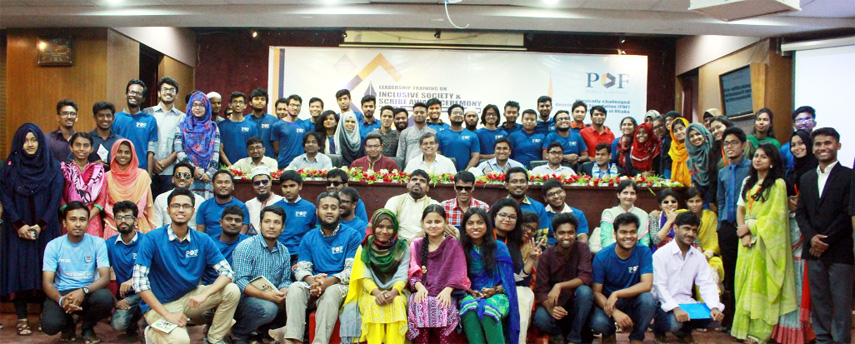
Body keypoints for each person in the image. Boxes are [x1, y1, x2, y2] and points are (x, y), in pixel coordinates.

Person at [132, 187, 241, 344]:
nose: (181, 210)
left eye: (186, 206)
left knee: (232, 290)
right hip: (159, 305)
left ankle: (214, 339)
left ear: (193, 211)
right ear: (168, 210)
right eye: (176, 206)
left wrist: (204, 294)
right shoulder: (152, 238)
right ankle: (151, 334)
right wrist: (167, 315)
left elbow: (227, 273)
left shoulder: (202, 239)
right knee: (180, 340)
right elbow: (139, 283)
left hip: (188, 299)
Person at [0, 124, 63, 336]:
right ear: (19, 142)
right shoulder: (9, 167)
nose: (30, 144)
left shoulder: (53, 166)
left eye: (34, 140)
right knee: (19, 270)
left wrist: (41, 225)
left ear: (40, 142)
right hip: (16, 229)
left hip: (45, 228)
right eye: (26, 140)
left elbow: (55, 197)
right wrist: (19, 225)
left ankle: (48, 313)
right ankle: (22, 317)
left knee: (47, 270)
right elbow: (5, 198)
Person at [731, 143, 796, 343]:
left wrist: (750, 226)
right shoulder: (748, 182)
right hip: (748, 241)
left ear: (772, 161)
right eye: (757, 156)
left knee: (761, 286)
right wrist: (744, 234)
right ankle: (742, 329)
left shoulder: (778, 184)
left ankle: (759, 333)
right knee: (743, 283)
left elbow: (777, 218)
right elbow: (741, 209)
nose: (758, 159)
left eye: (764, 157)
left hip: (766, 243)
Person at [279, 191, 362, 344]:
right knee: (296, 288)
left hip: (339, 286)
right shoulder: (309, 237)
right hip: (314, 285)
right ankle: (293, 340)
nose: (329, 211)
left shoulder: (352, 236)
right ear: (317, 211)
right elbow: (302, 269)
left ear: (339, 211)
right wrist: (313, 282)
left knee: (331, 293)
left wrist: (327, 282)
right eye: (325, 207)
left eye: (333, 207)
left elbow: (352, 271)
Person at [795, 128, 853, 344]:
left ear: (838, 145)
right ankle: (822, 340)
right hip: (813, 250)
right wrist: (811, 238)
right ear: (813, 148)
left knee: (841, 302)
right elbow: (801, 213)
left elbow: (848, 213)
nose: (822, 147)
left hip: (840, 250)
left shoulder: (849, 176)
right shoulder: (807, 178)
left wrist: (824, 240)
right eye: (818, 144)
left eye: (828, 143)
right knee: (819, 301)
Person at [41, 201, 113, 344]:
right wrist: (62, 301)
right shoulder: (53, 245)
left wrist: (83, 290)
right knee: (49, 326)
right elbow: (47, 283)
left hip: (88, 292)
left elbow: (105, 278)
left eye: (82, 219)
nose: (78, 224)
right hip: (62, 293)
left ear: (88, 222)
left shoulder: (98, 243)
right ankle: (68, 324)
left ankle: (87, 328)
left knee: (105, 299)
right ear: (64, 222)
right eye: (73, 219)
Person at [652, 212, 725, 344]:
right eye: (686, 228)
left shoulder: (698, 257)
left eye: (694, 230)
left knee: (715, 319)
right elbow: (659, 286)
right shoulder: (661, 254)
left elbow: (707, 284)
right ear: (675, 228)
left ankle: (684, 331)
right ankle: (659, 329)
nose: (690, 234)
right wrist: (675, 308)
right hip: (662, 303)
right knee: (674, 323)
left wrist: (714, 307)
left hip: (686, 303)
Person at [339, 209, 411, 344]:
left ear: (395, 228)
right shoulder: (364, 247)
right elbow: (363, 274)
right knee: (373, 304)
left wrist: (394, 292)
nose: (384, 231)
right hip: (369, 291)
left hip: (397, 291)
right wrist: (376, 292)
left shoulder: (402, 246)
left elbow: (403, 273)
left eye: (389, 227)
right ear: (374, 227)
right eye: (380, 226)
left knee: (397, 304)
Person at [406, 205, 470, 344]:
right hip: (422, 291)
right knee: (419, 305)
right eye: (429, 222)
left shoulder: (454, 244)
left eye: (438, 221)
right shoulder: (416, 244)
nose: (433, 225)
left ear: (446, 223)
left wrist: (448, 289)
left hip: (447, 292)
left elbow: (459, 271)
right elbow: (412, 269)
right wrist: (419, 287)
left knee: (444, 307)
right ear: (422, 223)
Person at [590, 213, 656, 344]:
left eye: (633, 232)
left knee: (648, 300)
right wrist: (614, 312)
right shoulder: (602, 257)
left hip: (633, 300)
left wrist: (617, 293)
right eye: (623, 232)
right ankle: (608, 334)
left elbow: (647, 285)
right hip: (609, 302)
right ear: (615, 234)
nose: (628, 236)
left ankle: (637, 337)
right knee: (598, 323)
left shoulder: (644, 252)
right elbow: (596, 292)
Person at [459, 208, 521, 344]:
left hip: (499, 295)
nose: (475, 227)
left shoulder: (499, 247)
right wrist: (470, 291)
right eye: (470, 223)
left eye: (480, 223)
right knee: (467, 306)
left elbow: (509, 283)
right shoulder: (460, 248)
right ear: (464, 228)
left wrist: (494, 290)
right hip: (470, 294)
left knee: (489, 309)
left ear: (487, 226)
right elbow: (457, 278)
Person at [231, 206, 291, 344]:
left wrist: (283, 292)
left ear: (282, 227)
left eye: (276, 223)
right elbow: (240, 281)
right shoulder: (246, 246)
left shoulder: (284, 251)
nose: (271, 226)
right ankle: (238, 333)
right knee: (268, 309)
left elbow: (285, 280)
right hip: (245, 300)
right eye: (267, 221)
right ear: (260, 224)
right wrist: (268, 296)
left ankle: (261, 331)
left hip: (272, 297)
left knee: (293, 301)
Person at [533, 212, 594, 344]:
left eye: (571, 233)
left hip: (577, 304)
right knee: (540, 319)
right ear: (554, 235)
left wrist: (560, 285)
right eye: (561, 233)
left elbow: (586, 277)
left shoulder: (582, 248)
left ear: (576, 233)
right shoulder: (546, 256)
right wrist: (551, 308)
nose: (566, 237)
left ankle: (574, 338)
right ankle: (557, 334)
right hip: (556, 303)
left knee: (585, 291)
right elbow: (540, 290)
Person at [488, 199, 538, 344]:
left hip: (506, 288)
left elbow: (520, 279)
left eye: (512, 217)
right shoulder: (484, 237)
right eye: (503, 215)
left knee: (522, 295)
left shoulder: (514, 242)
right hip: (484, 287)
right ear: (494, 215)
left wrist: (530, 260)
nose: (507, 219)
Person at [716, 126, 751, 328]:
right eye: (726, 143)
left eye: (734, 142)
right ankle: (733, 318)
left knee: (746, 273)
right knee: (730, 274)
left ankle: (746, 319)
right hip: (727, 228)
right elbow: (720, 200)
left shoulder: (751, 169)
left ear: (744, 145)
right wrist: (721, 224)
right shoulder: (723, 171)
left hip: (746, 228)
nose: (730, 147)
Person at [106, 201, 146, 338]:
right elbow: (101, 275)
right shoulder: (109, 244)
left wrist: (133, 280)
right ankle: (132, 323)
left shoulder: (147, 241)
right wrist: (115, 302)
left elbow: (157, 271)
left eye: (127, 217)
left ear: (135, 220)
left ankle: (149, 329)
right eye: (118, 217)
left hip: (148, 292)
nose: (123, 221)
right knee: (118, 325)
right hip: (126, 296)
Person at [101, 139, 155, 238]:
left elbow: (142, 202)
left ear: (132, 154)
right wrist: (118, 218)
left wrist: (130, 218)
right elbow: (104, 202)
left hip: (136, 222)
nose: (123, 155)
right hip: (113, 223)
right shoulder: (106, 177)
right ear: (113, 153)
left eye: (127, 152)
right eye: (119, 151)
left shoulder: (142, 175)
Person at [175, 91, 221, 199]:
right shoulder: (182, 126)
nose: (197, 108)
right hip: (186, 175)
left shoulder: (213, 128)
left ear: (207, 107)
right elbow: (178, 150)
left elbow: (216, 152)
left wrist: (209, 174)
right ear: (190, 106)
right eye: (194, 105)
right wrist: (192, 169)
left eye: (201, 105)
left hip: (206, 176)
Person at [145, 77, 186, 197]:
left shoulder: (182, 118)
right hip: (149, 169)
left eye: (172, 90)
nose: (168, 92)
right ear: (158, 93)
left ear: (176, 95)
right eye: (165, 89)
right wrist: (153, 162)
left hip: (170, 171)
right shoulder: (148, 113)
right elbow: (144, 141)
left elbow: (182, 143)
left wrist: (167, 162)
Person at [60, 132, 106, 236]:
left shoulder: (98, 170)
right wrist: (70, 216)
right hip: (69, 218)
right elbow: (59, 197)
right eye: (77, 145)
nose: (81, 149)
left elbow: (101, 200)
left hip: (92, 219)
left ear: (91, 149)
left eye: (85, 145)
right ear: (71, 147)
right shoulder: (63, 169)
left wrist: (85, 218)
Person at [684, 187, 725, 292]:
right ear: (686, 202)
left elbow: (714, 243)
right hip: (685, 256)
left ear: (703, 201)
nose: (694, 205)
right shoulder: (681, 215)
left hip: (708, 256)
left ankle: (713, 304)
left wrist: (705, 256)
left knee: (712, 269)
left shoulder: (710, 216)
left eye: (698, 201)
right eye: (691, 201)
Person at [273, 170, 318, 262]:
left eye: (292, 186)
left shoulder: (310, 208)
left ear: (300, 186)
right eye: (284, 186)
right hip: (278, 253)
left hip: (302, 254)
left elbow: (314, 232)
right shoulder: (274, 208)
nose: (288, 190)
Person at [113, 79, 158, 171]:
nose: (134, 95)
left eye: (138, 93)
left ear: (143, 98)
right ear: (126, 95)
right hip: (119, 172)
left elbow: (151, 152)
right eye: (131, 92)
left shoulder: (150, 120)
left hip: (140, 171)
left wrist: (148, 177)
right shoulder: (115, 118)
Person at [384, 169, 441, 241]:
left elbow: (436, 229)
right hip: (397, 244)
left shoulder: (434, 204)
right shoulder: (395, 201)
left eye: (422, 181)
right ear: (408, 184)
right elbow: (386, 224)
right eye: (414, 179)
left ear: (427, 188)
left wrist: (415, 240)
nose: (417, 182)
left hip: (424, 243)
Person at [203, 205, 250, 285]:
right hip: (210, 286)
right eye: (229, 219)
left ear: (242, 225)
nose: (233, 223)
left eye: (237, 220)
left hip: (239, 288)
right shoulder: (209, 243)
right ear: (221, 222)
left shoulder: (248, 242)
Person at [196, 170, 250, 238]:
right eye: (219, 182)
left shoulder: (241, 207)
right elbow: (200, 234)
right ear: (212, 186)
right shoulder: (204, 206)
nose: (223, 185)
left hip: (235, 246)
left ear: (233, 186)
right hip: (210, 246)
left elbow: (242, 234)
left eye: (227, 182)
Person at [153, 160, 205, 230]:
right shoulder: (161, 199)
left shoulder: (200, 201)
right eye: (178, 175)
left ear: (192, 180)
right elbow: (157, 226)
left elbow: (201, 229)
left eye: (186, 176)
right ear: (173, 179)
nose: (182, 178)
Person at [505, 167, 552, 244]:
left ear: (527, 185)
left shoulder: (538, 207)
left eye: (522, 181)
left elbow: (542, 237)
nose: (519, 185)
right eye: (514, 181)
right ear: (506, 185)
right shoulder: (498, 207)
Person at [599, 180, 651, 250]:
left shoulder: (643, 214)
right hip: (612, 254)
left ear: (636, 196)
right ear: (618, 195)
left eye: (632, 193)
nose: (629, 196)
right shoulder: (609, 213)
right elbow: (606, 240)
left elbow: (644, 242)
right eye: (625, 193)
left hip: (637, 254)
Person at [217, 92, 259, 166]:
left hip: (247, 167)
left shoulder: (252, 126)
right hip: (227, 168)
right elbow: (220, 150)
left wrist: (244, 165)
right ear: (230, 105)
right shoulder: (221, 126)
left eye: (240, 102)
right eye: (235, 102)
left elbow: (254, 149)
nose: (238, 104)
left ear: (245, 105)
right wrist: (231, 167)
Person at [437, 104, 481, 171]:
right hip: (446, 173)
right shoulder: (440, 135)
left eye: (460, 113)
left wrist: (466, 171)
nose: (458, 115)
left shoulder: (472, 135)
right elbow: (438, 155)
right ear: (449, 116)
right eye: (455, 113)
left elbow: (475, 157)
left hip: (466, 175)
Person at [686, 123, 717, 210]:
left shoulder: (714, 150)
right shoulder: (691, 159)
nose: (695, 138)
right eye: (691, 136)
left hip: (717, 194)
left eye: (698, 134)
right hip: (702, 198)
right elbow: (694, 180)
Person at [244, 166, 283, 234]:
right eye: (257, 183)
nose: (261, 185)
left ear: (270, 182)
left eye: (264, 182)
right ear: (252, 185)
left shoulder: (281, 201)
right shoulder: (249, 204)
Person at [271, 101, 308, 169]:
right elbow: (276, 148)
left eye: (298, 105)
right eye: (292, 105)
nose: (295, 108)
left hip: (301, 165)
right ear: (287, 107)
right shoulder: (277, 125)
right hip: (283, 164)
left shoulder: (304, 124)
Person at [246, 88, 280, 159]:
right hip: (248, 161)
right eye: (256, 99)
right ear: (250, 102)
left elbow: (277, 145)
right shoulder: (245, 120)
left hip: (268, 160)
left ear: (266, 103)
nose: (260, 101)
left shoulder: (273, 121)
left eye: (262, 99)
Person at [780, 106, 816, 171]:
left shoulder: (819, 146)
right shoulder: (785, 149)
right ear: (793, 125)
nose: (803, 123)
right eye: (799, 120)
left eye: (807, 119)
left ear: (814, 123)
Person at [88, 101, 123, 166]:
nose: (105, 119)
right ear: (95, 118)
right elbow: (75, 164)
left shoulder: (120, 141)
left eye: (108, 116)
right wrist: (91, 166)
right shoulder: (86, 139)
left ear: (113, 118)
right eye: (101, 116)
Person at [669, 117, 691, 186]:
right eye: (675, 131)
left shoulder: (693, 144)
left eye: (681, 129)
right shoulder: (673, 147)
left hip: (693, 184)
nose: (679, 132)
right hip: (677, 185)